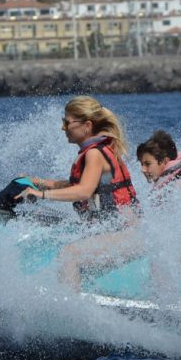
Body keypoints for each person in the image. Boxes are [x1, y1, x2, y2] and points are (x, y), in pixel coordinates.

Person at [17, 96, 140, 290]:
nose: (63, 128)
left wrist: (40, 195)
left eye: (67, 123)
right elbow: (82, 184)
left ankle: (69, 312)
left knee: (69, 254)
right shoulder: (96, 151)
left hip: (130, 234)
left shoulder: (94, 153)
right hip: (121, 232)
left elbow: (84, 191)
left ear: (87, 125)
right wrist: (39, 183)